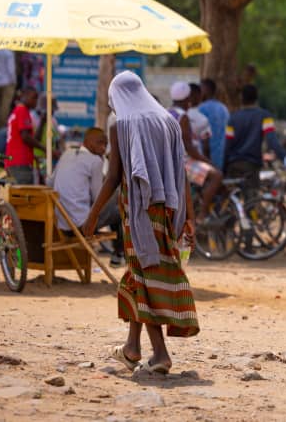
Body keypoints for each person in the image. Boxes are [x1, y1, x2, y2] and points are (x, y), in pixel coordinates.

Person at [82, 71, 198, 375]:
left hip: (139, 213)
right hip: (169, 211)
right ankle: (133, 348)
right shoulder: (168, 121)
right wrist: (190, 217)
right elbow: (181, 171)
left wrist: (93, 215)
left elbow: (114, 176)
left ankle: (160, 353)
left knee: (142, 277)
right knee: (141, 275)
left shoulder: (123, 125)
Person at [48, 127, 124, 267]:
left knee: (116, 205)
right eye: (100, 143)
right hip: (83, 226)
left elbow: (49, 183)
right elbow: (98, 198)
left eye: (105, 145)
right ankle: (118, 255)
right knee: (121, 208)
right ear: (87, 142)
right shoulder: (95, 161)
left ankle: (117, 254)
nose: (103, 148)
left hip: (62, 223)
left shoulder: (67, 154)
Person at [169, 81, 223, 221]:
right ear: (189, 98)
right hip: (183, 162)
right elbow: (189, 148)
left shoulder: (167, 113)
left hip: (170, 162)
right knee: (216, 175)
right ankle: (202, 213)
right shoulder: (183, 117)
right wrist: (208, 161)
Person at [224, 84, 286, 189]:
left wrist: (223, 167)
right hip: (251, 164)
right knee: (251, 201)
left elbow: (227, 144)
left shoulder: (233, 117)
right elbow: (272, 141)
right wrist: (285, 157)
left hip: (233, 164)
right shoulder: (264, 116)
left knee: (233, 199)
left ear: (241, 98)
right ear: (256, 98)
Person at [6, 88, 41, 184]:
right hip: (20, 163)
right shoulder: (22, 110)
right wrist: (45, 149)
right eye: (34, 98)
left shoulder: (18, 110)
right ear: (24, 96)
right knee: (23, 196)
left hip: (15, 162)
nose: (36, 101)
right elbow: (25, 137)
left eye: (37, 99)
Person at [196, 79, 229, 170]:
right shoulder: (224, 108)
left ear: (206, 90)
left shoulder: (201, 109)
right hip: (221, 156)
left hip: (205, 157)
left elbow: (204, 138)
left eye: (200, 89)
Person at [0, 49, 17, 132]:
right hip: (7, 82)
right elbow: (11, 70)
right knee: (5, 106)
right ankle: (1, 126)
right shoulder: (9, 53)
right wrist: (14, 81)